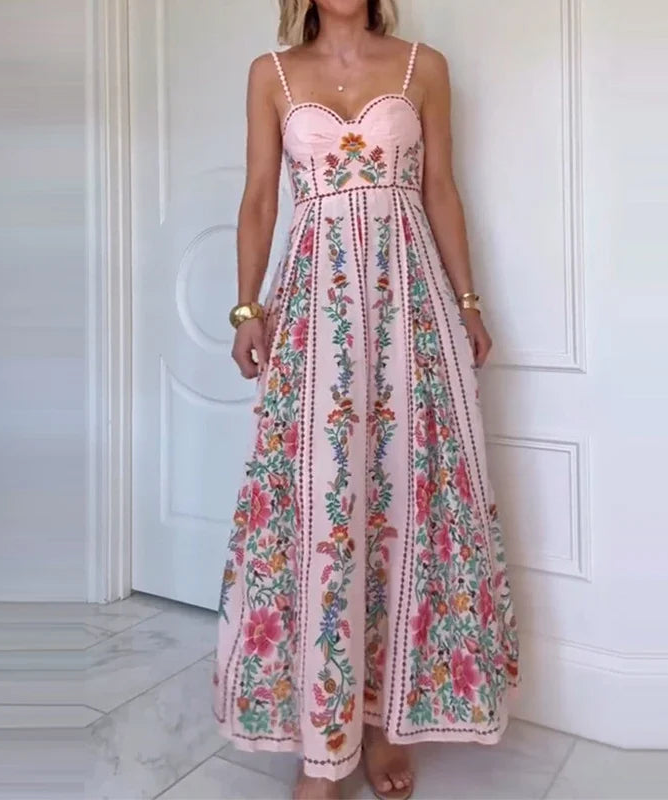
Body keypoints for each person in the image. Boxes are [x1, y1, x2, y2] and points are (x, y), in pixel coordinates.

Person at [212, 1, 519, 797]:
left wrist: (469, 302)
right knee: (322, 508)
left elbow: (442, 189)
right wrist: (247, 309)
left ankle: (386, 724)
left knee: (403, 503)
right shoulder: (271, 74)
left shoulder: (424, 66)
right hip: (313, 311)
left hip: (411, 307)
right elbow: (259, 198)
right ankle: (324, 743)